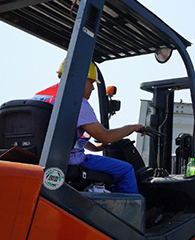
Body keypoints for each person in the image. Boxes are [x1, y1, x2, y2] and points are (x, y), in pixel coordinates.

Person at [33, 59, 144, 194]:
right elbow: (105, 136)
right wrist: (133, 127)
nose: (92, 88)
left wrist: (94, 147)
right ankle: (130, 213)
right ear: (81, 78)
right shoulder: (75, 101)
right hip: (71, 163)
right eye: (91, 82)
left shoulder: (39, 97)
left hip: (42, 161)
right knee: (126, 170)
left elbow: (60, 133)